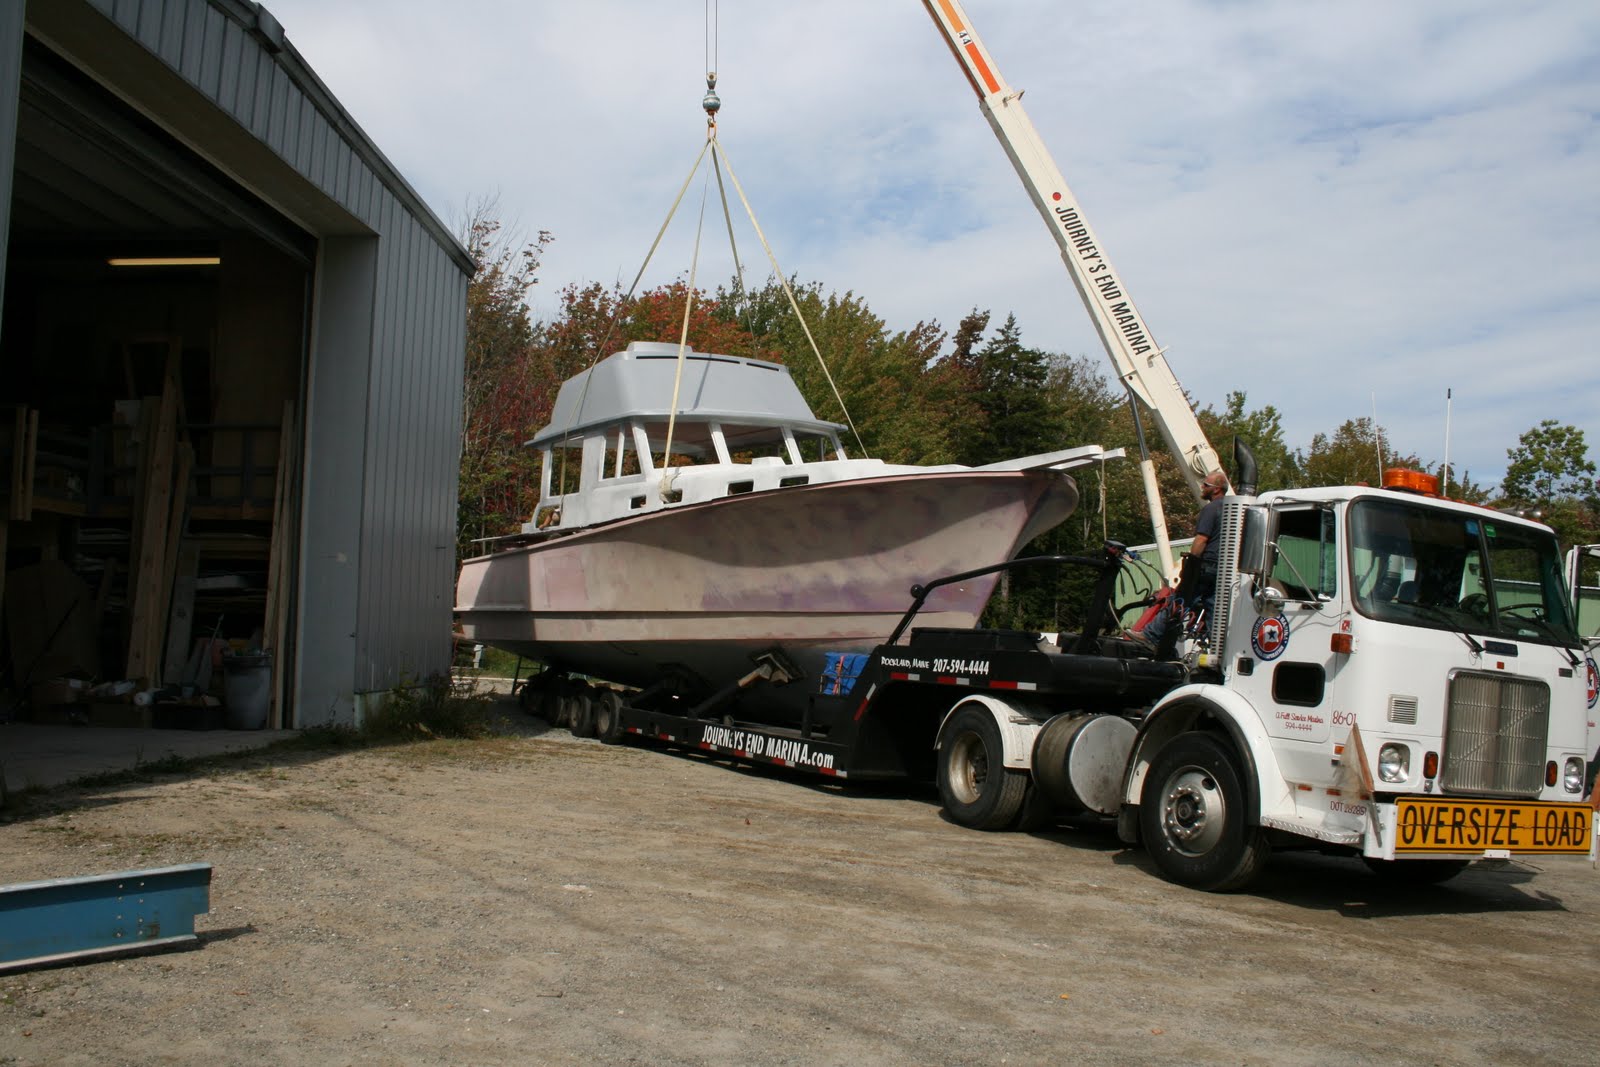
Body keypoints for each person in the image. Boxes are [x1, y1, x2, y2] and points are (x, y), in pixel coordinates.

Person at [1136, 470, 1229, 647]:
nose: (1202, 487)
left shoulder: (1211, 509)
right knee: (1215, 608)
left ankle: (1151, 635)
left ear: (1216, 489)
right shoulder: (1233, 510)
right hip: (1223, 568)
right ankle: (1217, 647)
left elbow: (1202, 539)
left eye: (1206, 485)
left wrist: (1191, 565)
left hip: (1206, 565)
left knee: (1181, 599)